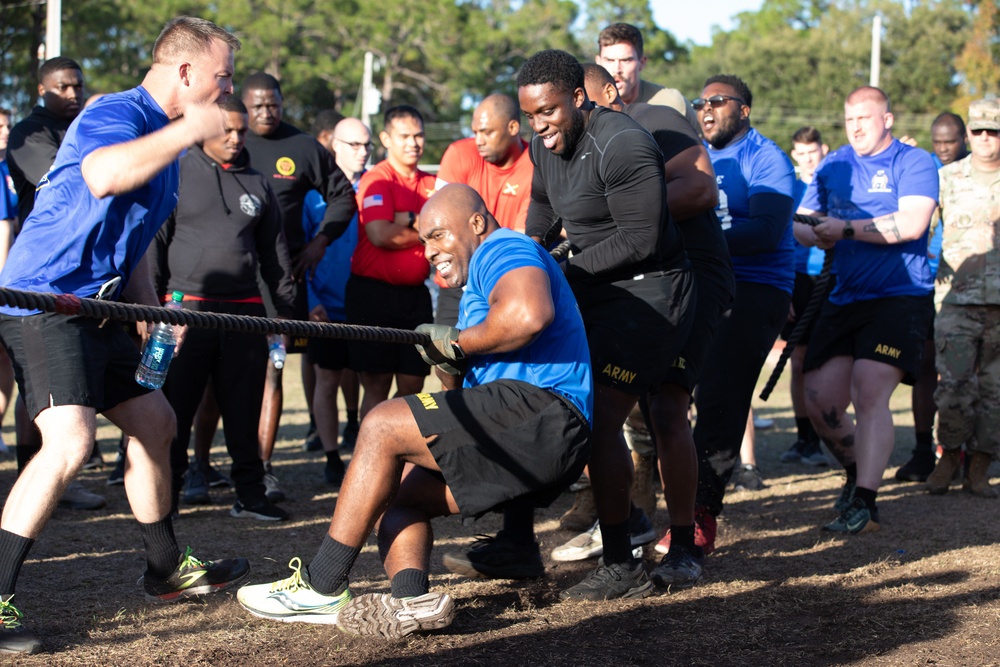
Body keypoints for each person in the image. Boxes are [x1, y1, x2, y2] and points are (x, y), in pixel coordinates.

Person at [237, 184, 592, 637]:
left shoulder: (504, 247)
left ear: (477, 224)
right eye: (424, 240)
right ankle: (414, 603)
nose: (429, 251)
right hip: (528, 434)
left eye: (439, 235)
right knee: (394, 497)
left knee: (382, 424)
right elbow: (467, 385)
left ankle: (322, 585)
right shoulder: (476, 288)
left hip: (547, 414)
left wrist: (458, 341)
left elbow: (528, 315)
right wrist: (448, 361)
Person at [0, 17, 251, 654]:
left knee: (156, 421)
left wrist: (147, 312)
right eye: (221, 77)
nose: (226, 92)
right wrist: (189, 130)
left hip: (101, 310)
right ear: (187, 72)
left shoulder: (167, 149)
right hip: (44, 300)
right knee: (70, 442)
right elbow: (105, 174)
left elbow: (131, 242)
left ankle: (164, 568)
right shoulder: (116, 111)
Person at [518, 50, 693, 598]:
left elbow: (640, 239)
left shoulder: (624, 143)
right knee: (551, 405)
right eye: (529, 116)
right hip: (593, 289)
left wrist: (558, 271)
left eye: (547, 111)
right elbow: (544, 216)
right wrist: (525, 263)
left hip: (652, 294)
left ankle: (626, 558)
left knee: (600, 419)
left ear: (578, 98)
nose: (539, 125)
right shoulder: (542, 147)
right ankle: (521, 541)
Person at [570, 63, 733, 582]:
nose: (580, 118)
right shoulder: (573, 149)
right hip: (635, 284)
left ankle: (683, 544)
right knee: (598, 403)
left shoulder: (655, 121)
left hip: (694, 278)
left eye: (586, 105)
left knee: (666, 404)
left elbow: (701, 190)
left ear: (608, 95)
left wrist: (629, 212)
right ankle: (630, 524)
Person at [795, 86, 938, 534]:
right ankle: (858, 472)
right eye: (850, 119)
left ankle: (866, 502)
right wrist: (815, 233)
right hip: (843, 295)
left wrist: (847, 230)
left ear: (887, 120)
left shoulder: (914, 162)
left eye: (865, 118)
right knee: (819, 400)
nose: (856, 127)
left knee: (869, 388)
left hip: (899, 295)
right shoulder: (834, 163)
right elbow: (800, 220)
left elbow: (913, 223)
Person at [149, 97, 295, 521]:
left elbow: (275, 256)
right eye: (226, 129)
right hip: (182, 315)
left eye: (241, 131)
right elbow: (153, 248)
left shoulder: (258, 182)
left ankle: (249, 495)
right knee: (173, 411)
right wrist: (152, 310)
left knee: (244, 409)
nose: (235, 138)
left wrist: (281, 314)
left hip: (244, 315)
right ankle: (166, 495)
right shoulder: (174, 172)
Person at [687, 75, 796, 553]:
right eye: (700, 103)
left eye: (717, 101)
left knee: (719, 396)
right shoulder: (696, 157)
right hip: (704, 285)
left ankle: (699, 514)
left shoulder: (765, 157)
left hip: (756, 286)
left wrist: (690, 246)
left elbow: (769, 231)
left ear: (744, 110)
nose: (706, 109)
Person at [240, 72, 358, 503]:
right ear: (243, 105)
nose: (266, 112)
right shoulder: (224, 141)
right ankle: (199, 466)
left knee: (272, 373)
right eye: (257, 105)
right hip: (225, 285)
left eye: (273, 103)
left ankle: (264, 470)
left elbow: (344, 196)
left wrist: (319, 244)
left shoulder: (303, 146)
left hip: (281, 287)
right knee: (221, 378)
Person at [5, 58, 107, 507]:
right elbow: (72, 183)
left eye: (78, 86)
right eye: (63, 87)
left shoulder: (79, 128)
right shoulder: (30, 133)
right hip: (38, 276)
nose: (73, 93)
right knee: (36, 386)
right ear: (42, 88)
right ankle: (36, 472)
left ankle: (55, 474)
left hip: (83, 276)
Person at [924, 99, 1000, 498]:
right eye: (980, 131)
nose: (987, 138)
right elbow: (920, 225)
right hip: (955, 303)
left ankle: (981, 467)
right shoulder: (946, 178)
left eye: (995, 131)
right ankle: (949, 457)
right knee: (953, 388)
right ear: (969, 134)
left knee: (995, 391)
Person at [346, 105, 436, 420]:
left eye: (419, 135)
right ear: (386, 138)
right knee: (377, 385)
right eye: (405, 136)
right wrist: (428, 231)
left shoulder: (433, 184)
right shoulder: (377, 179)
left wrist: (409, 221)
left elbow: (453, 229)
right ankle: (369, 456)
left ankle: (392, 444)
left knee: (414, 383)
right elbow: (380, 234)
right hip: (373, 295)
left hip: (415, 296)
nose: (413, 142)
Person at [895, 111, 970, 483]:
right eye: (937, 143)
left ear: (964, 140)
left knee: (963, 372)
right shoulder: (921, 168)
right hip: (925, 283)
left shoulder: (977, 173)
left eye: (950, 143)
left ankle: (966, 452)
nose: (942, 150)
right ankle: (923, 451)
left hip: (966, 286)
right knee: (924, 366)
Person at [302, 116, 370, 484]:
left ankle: (361, 443)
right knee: (326, 380)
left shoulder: (375, 187)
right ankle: (331, 457)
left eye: (366, 145)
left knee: (366, 378)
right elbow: (299, 251)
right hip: (325, 306)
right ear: (335, 147)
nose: (362, 153)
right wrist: (311, 300)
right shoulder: (313, 195)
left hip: (364, 303)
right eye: (354, 145)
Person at [433, 93, 533, 327]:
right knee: (441, 359)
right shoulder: (459, 153)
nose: (478, 140)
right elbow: (441, 228)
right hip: (455, 282)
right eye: (475, 131)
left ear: (513, 127)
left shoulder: (535, 164)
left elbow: (521, 237)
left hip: (503, 280)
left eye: (487, 132)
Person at [779, 126, 832, 467]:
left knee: (825, 362)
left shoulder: (834, 184)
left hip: (829, 277)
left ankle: (829, 433)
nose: (807, 159)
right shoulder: (792, 187)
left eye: (812, 152)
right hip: (797, 279)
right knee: (798, 362)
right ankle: (804, 439)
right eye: (801, 153)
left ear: (823, 150)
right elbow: (781, 239)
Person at [596, 22, 699, 131]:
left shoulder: (671, 104)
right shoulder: (585, 107)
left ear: (642, 62)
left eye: (626, 60)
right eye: (609, 60)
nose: (617, 69)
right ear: (598, 62)